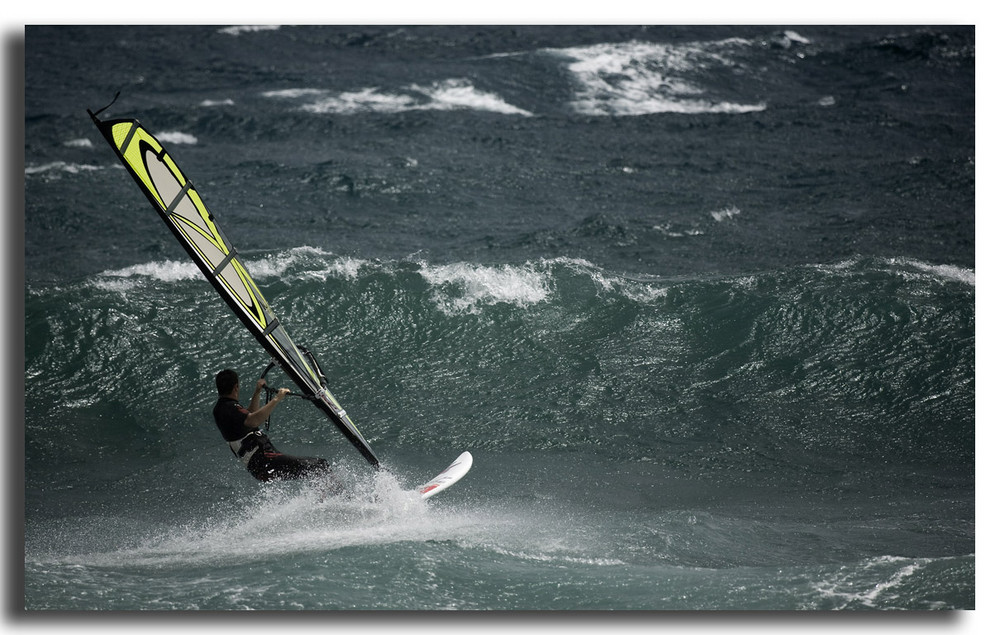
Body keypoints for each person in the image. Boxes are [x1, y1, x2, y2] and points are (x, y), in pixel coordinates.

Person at [213, 368, 332, 482]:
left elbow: (250, 415)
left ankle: (325, 499)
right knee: (320, 466)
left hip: (262, 465)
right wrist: (277, 398)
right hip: (266, 461)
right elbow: (253, 421)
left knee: (315, 469)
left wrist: (257, 391)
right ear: (236, 387)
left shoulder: (223, 408)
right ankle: (338, 498)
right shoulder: (228, 408)